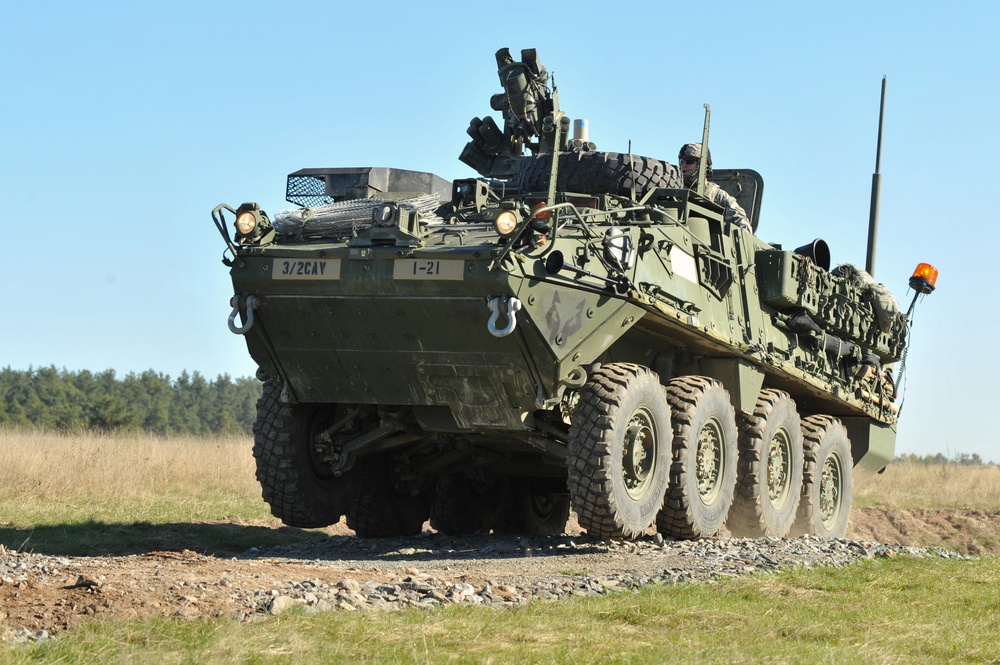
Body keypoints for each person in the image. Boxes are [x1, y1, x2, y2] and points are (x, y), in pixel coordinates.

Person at [678, 143, 752, 232]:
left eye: (689, 161)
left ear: (702, 164)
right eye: (682, 161)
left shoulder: (717, 196)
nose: (684, 165)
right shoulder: (675, 190)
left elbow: (743, 225)